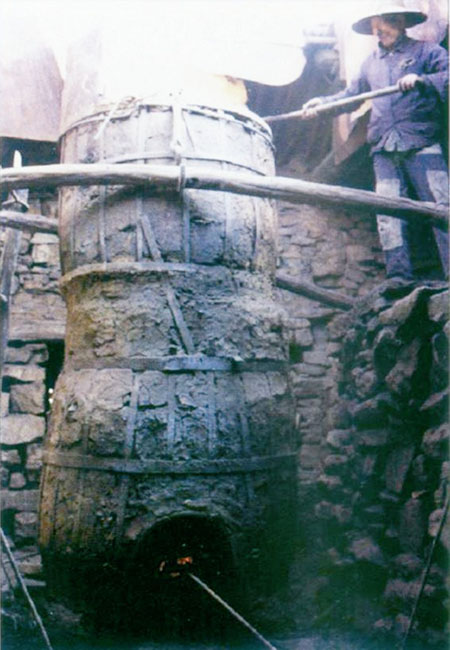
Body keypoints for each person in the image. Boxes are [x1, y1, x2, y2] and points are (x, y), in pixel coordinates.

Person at [302, 2, 449, 281]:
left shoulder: (427, 52)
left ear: (401, 23)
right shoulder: (371, 63)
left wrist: (422, 79)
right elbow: (350, 96)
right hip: (384, 148)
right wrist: (321, 104)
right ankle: (398, 277)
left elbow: (447, 75)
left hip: (421, 142)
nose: (380, 34)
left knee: (441, 206)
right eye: (376, 30)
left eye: (385, 27)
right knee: (388, 212)